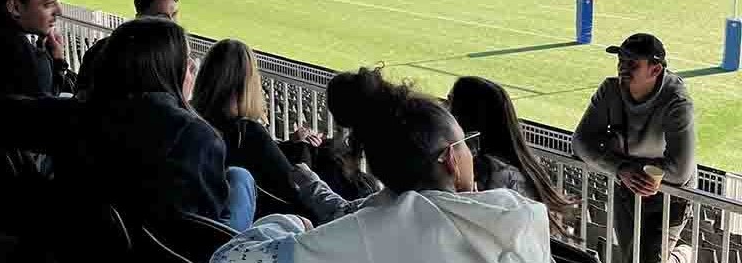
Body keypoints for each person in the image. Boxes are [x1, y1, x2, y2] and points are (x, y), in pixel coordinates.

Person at [211, 67, 552, 263]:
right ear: (450, 159)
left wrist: (287, 223)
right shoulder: (519, 215)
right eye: (466, 143)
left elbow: (229, 257)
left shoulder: (366, 231)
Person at [0, 18, 256, 233]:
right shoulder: (195, 135)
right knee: (240, 176)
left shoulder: (73, 114)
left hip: (85, 239)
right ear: (167, 71)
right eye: (185, 63)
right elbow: (204, 230)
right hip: (167, 249)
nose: (191, 70)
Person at [573, 34, 696, 263]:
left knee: (648, 259)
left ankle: (680, 256)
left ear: (655, 70)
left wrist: (627, 167)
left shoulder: (677, 102)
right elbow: (580, 142)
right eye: (621, 60)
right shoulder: (610, 90)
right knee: (631, 257)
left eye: (632, 63)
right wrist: (620, 169)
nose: (623, 67)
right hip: (626, 186)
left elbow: (680, 171)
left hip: (669, 195)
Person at [192, 39, 306, 216]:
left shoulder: (189, 120)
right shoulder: (247, 133)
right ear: (248, 83)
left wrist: (290, 145)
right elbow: (297, 190)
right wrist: (304, 151)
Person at [448, 76, 575, 235]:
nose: (443, 110)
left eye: (449, 101)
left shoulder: (489, 172)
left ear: (465, 115)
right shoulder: (519, 165)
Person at [75, 0, 179, 99]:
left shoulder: (176, 53)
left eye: (174, 15)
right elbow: (82, 94)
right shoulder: (105, 50)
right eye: (162, 17)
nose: (171, 22)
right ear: (140, 18)